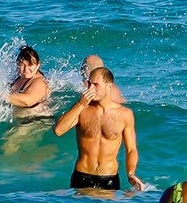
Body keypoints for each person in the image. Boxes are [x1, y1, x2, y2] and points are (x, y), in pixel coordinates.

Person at [53, 64, 144, 193]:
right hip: (82, 176)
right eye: (89, 84)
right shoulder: (82, 109)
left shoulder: (124, 114)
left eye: (96, 85)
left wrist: (130, 173)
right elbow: (58, 130)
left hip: (109, 179)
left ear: (109, 86)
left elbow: (131, 149)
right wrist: (80, 104)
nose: (90, 88)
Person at [0, 45, 51, 114]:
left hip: (37, 121)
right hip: (22, 121)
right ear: (17, 64)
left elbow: (27, 101)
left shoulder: (39, 82)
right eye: (22, 65)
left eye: (30, 65)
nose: (26, 69)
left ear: (38, 65)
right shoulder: (20, 77)